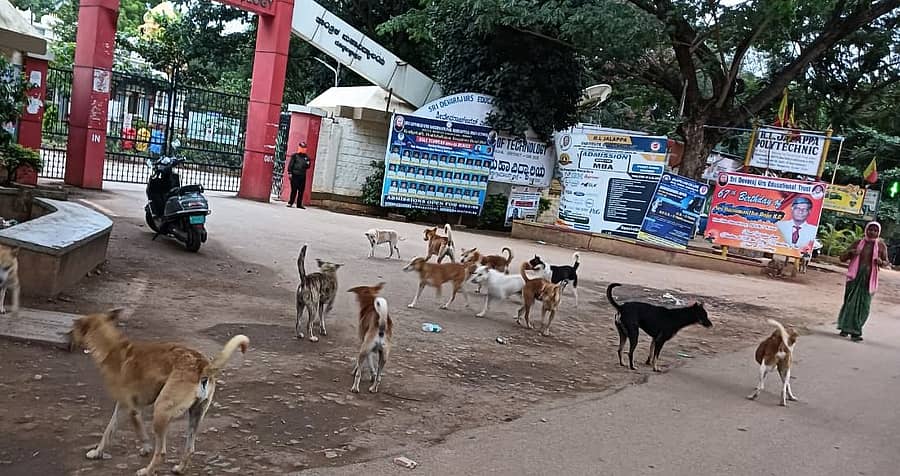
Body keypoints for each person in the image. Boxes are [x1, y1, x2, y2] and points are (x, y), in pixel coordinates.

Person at [837, 222, 888, 342]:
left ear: (878, 232)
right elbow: (842, 257)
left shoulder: (881, 246)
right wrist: (851, 253)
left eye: (875, 231)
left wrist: (881, 262)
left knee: (864, 306)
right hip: (854, 277)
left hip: (869, 279)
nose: (872, 232)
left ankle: (856, 330)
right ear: (866, 230)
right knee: (849, 303)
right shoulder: (858, 243)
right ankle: (846, 328)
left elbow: (886, 262)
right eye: (871, 230)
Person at [286, 142, 310, 209]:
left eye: (304, 148)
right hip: (295, 175)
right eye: (302, 148)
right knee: (294, 190)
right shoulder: (295, 156)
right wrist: (290, 173)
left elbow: (308, 166)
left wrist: (307, 164)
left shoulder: (306, 157)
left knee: (301, 191)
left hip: (302, 176)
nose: (303, 149)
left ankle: (299, 204)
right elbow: (290, 165)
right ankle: (290, 202)